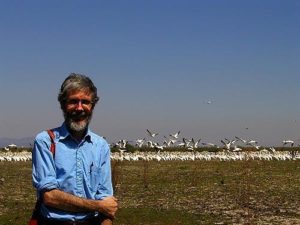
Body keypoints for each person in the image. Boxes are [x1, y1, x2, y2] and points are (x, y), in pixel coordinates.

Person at [32, 73, 118, 225]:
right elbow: (50, 197)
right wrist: (98, 206)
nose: (79, 108)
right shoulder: (45, 141)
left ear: (92, 105)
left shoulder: (101, 146)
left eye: (85, 102)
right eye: (73, 101)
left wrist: (105, 214)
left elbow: (107, 202)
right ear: (63, 104)